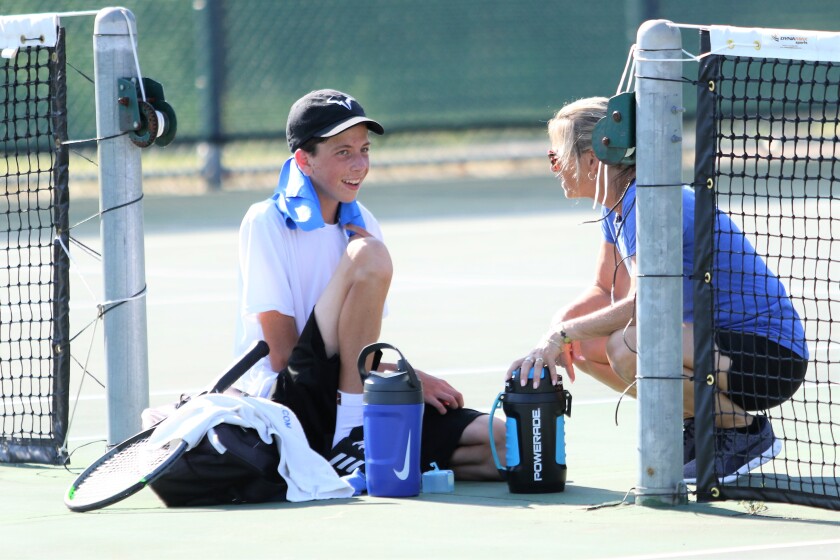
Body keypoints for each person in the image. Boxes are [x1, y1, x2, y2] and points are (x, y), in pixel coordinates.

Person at [507, 96, 809, 484]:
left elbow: (642, 306)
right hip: (714, 350)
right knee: (582, 348)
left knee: (627, 344)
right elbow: (604, 288)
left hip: (767, 358)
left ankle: (741, 433)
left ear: (592, 159)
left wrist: (561, 334)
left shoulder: (647, 202)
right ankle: (701, 429)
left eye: (556, 155)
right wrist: (552, 338)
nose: (553, 166)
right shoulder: (616, 206)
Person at [235, 89, 504, 482]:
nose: (359, 164)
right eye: (343, 152)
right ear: (303, 160)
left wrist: (402, 377)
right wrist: (392, 379)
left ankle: (359, 455)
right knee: (370, 255)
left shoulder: (364, 223)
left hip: (348, 389)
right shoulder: (265, 222)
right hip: (289, 405)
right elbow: (282, 356)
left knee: (506, 447)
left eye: (364, 149)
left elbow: (356, 348)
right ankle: (351, 440)